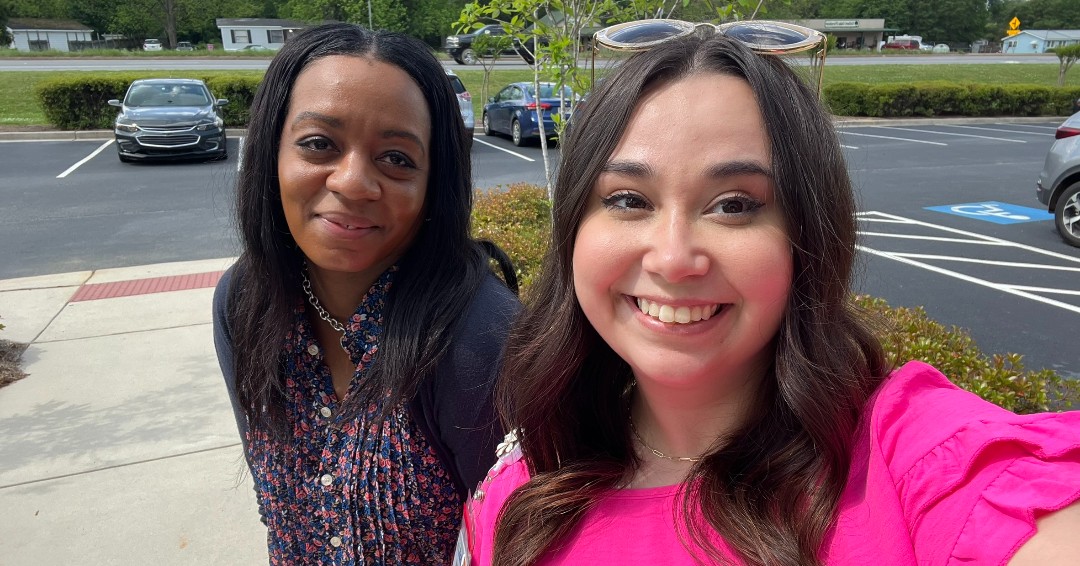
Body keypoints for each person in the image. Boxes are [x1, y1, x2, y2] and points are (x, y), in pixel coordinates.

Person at [460, 33, 1080, 566]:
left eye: (734, 205)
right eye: (628, 200)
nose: (674, 258)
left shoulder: (911, 458)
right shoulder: (526, 494)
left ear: (806, 236)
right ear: (574, 229)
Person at [212, 23, 520, 565]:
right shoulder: (243, 301)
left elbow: (514, 541)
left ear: (433, 184)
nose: (353, 182)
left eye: (396, 158)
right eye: (319, 144)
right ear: (270, 155)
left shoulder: (480, 339)